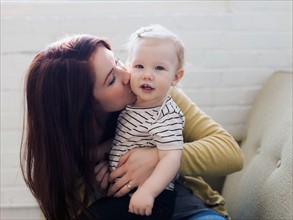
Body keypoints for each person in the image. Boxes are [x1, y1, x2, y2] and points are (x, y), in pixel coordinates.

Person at [20, 31, 243, 220]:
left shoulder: (157, 94)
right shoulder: (62, 158)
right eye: (111, 79)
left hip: (190, 211)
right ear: (84, 107)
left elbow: (229, 152)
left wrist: (157, 158)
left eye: (117, 62)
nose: (127, 75)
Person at [104, 24, 185, 218]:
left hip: (153, 197)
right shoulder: (131, 104)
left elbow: (171, 157)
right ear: (128, 67)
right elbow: (121, 139)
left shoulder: (165, 113)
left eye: (159, 68)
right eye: (139, 66)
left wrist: (147, 192)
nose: (147, 74)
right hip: (124, 193)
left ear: (176, 77)